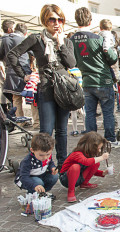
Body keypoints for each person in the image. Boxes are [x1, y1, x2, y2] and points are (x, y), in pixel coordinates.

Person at [7, 4, 76, 166]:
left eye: (60, 19)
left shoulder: (66, 41)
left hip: (64, 88)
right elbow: (13, 55)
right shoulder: (36, 39)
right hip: (46, 87)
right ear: (45, 20)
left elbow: (71, 63)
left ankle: (62, 164)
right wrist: (25, 75)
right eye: (52, 19)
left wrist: (61, 44)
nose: (56, 23)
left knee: (62, 130)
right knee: (46, 130)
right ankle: (44, 164)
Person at [71, 7, 120, 149]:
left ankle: (92, 142)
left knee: (90, 114)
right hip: (103, 80)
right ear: (90, 20)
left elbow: (72, 61)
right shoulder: (98, 38)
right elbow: (112, 58)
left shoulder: (72, 39)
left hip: (87, 80)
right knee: (107, 113)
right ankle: (110, 140)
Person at [0, 22, 39, 128]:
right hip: (24, 71)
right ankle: (36, 123)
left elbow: (1, 55)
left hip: (11, 71)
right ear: (25, 32)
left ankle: (20, 123)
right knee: (32, 96)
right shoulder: (25, 39)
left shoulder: (5, 39)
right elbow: (34, 54)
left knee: (16, 99)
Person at [59, 132, 110, 203]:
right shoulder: (77, 154)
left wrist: (103, 173)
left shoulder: (88, 154)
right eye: (98, 148)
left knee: (95, 163)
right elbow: (86, 162)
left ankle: (84, 184)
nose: (99, 151)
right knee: (75, 167)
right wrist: (102, 157)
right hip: (66, 179)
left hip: (79, 177)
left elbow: (90, 167)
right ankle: (71, 191)